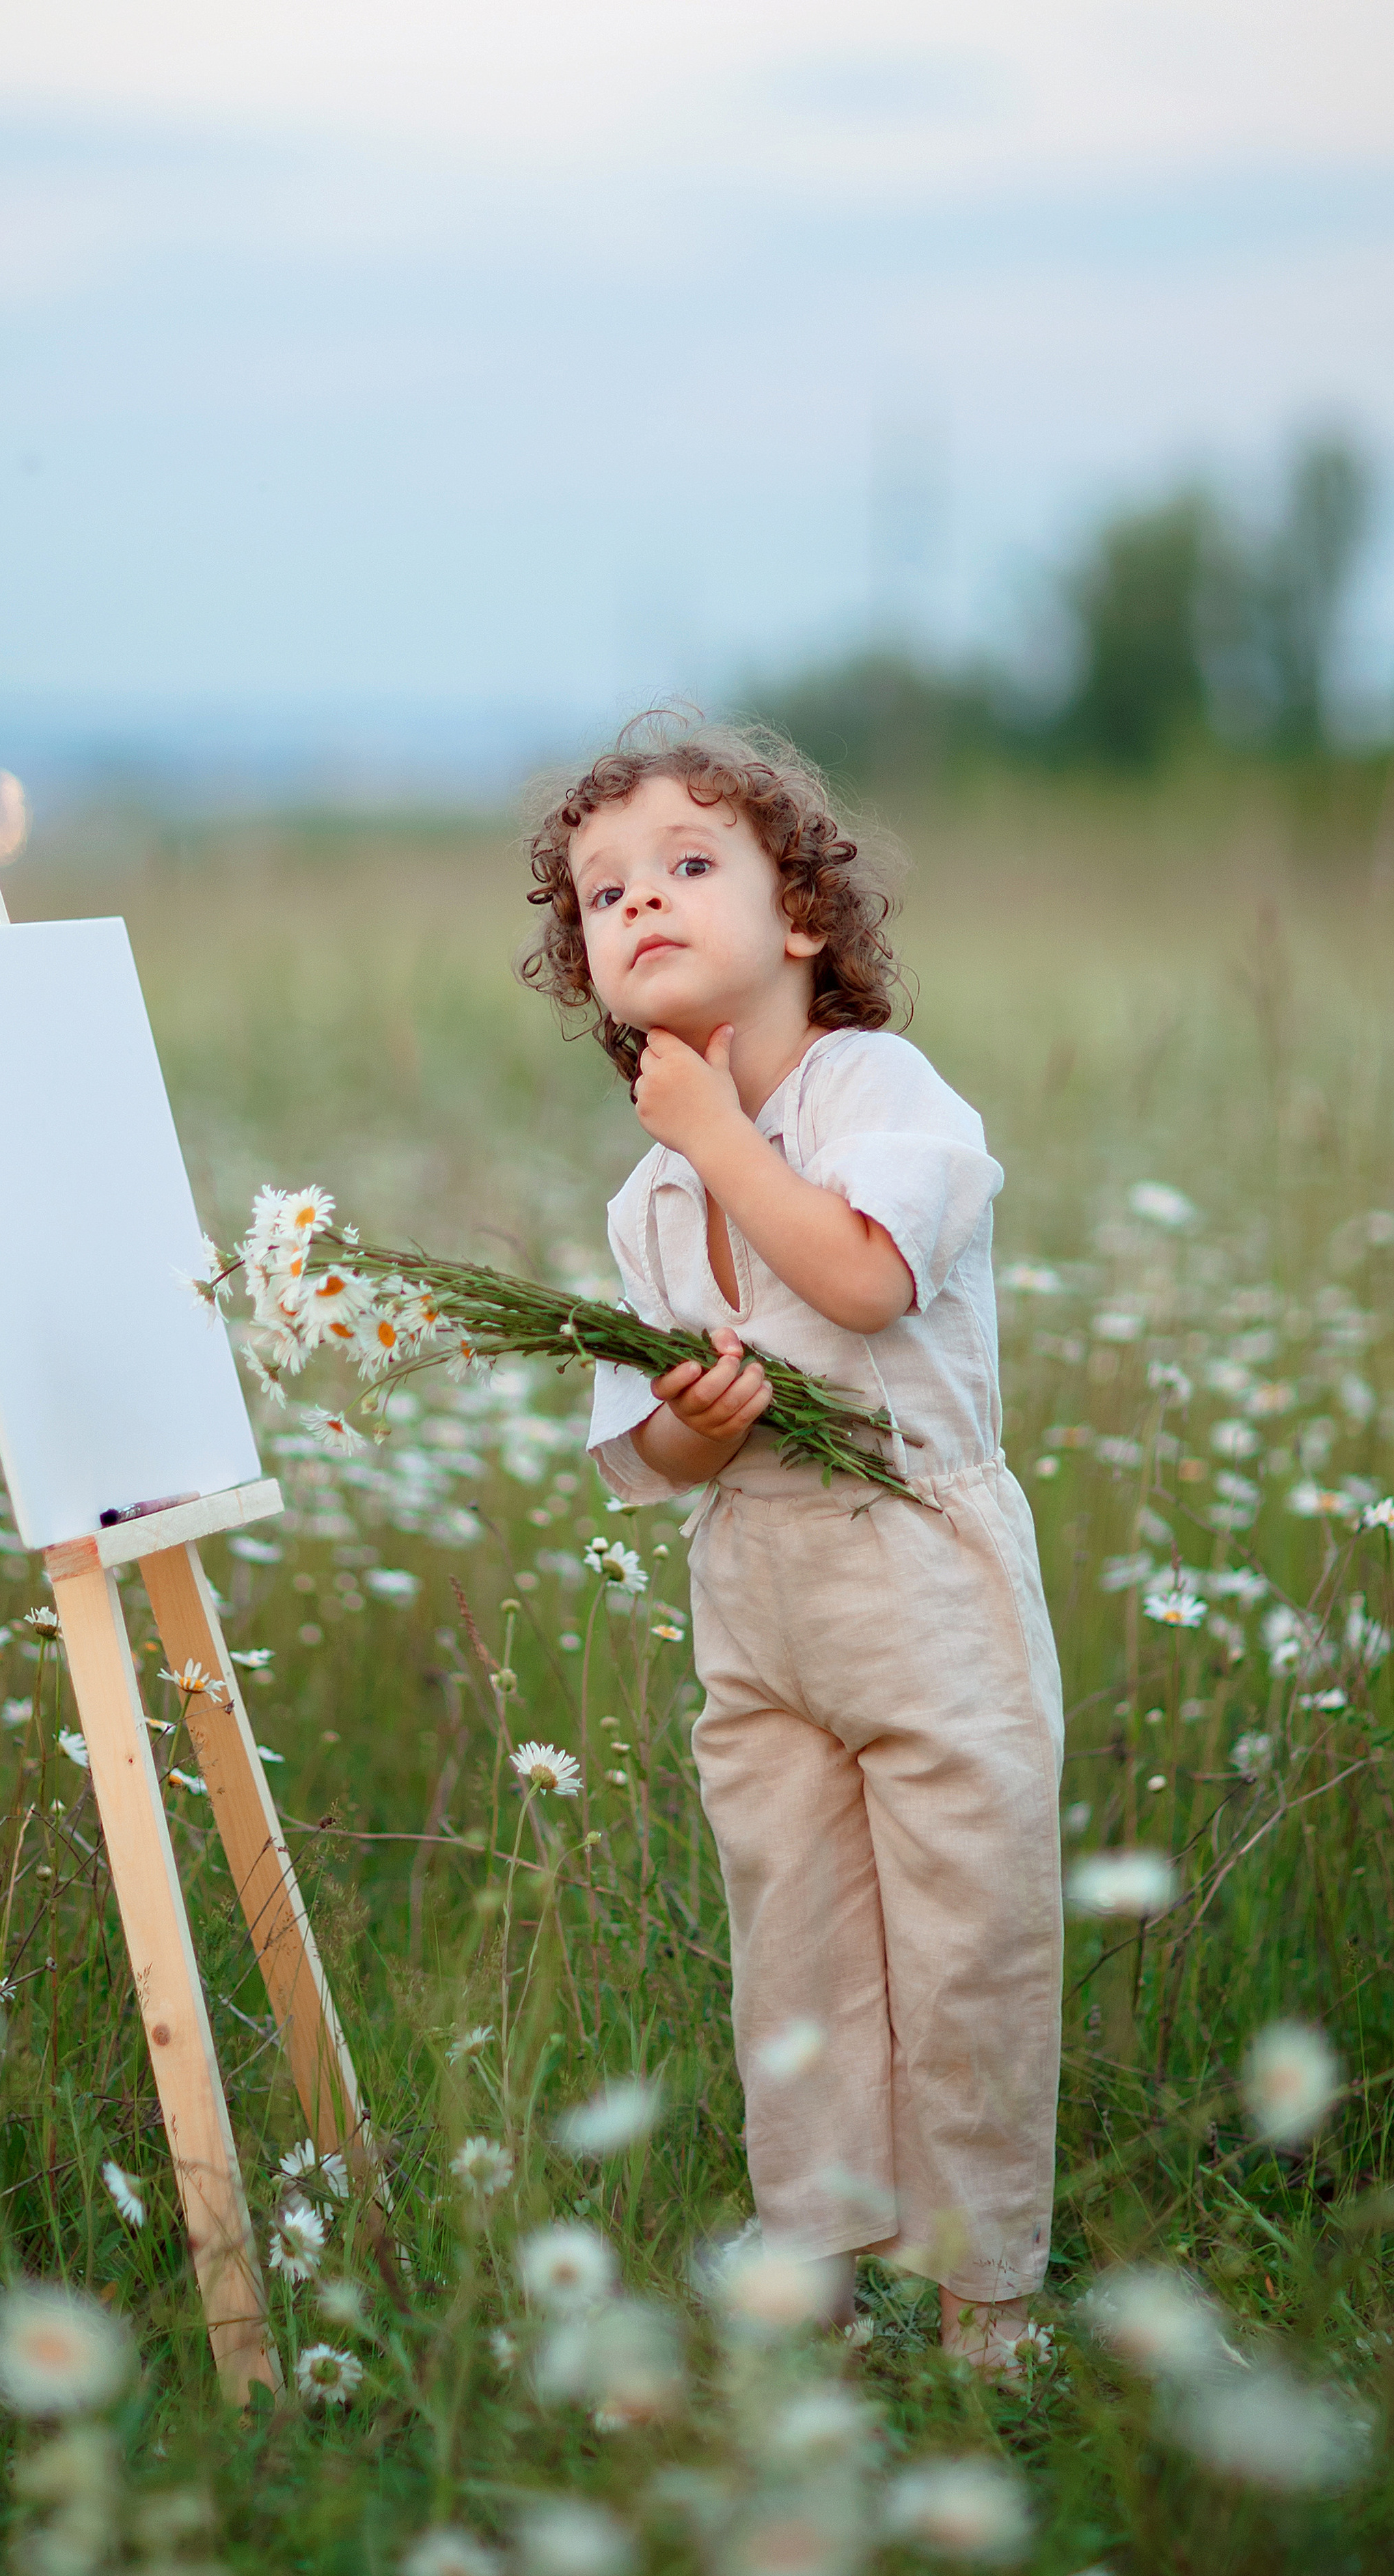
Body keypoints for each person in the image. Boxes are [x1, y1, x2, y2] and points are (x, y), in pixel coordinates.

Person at [521, 719, 1064, 2377]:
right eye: (605, 894)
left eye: (691, 867)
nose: (644, 904)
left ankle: (987, 2295)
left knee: (965, 1930)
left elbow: (860, 1280)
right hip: (755, 1598)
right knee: (797, 1937)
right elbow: (658, 1458)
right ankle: (817, 2246)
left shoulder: (875, 1094)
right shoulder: (645, 1201)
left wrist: (714, 1136)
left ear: (803, 919)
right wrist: (698, 1411)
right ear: (587, 968)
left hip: (914, 1568)